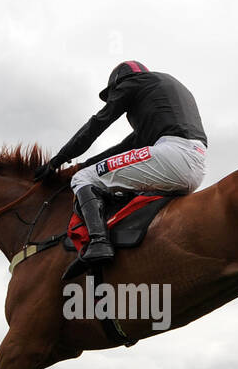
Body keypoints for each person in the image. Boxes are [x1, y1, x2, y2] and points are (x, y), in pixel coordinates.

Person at [35, 61, 209, 271]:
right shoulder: (160, 94)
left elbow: (97, 123)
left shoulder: (133, 82)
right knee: (95, 175)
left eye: (113, 94)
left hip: (172, 156)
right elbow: (125, 147)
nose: (114, 98)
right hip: (196, 164)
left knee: (82, 179)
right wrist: (83, 164)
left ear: (119, 84)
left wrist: (58, 161)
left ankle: (99, 243)